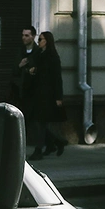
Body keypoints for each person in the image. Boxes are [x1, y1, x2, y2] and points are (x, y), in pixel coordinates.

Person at [29, 31, 67, 160]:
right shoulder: (40, 54)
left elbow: (57, 77)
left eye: (41, 39)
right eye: (39, 39)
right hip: (39, 94)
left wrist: (58, 97)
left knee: (40, 123)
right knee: (39, 123)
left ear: (47, 41)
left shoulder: (52, 56)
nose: (39, 42)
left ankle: (39, 150)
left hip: (48, 95)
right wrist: (33, 71)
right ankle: (55, 143)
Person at [10, 25, 43, 154]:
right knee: (26, 120)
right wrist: (20, 65)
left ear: (33, 36)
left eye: (27, 35)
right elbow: (13, 70)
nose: (24, 38)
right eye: (23, 35)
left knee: (36, 121)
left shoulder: (38, 51)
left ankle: (38, 148)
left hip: (35, 92)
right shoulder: (20, 51)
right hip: (21, 92)